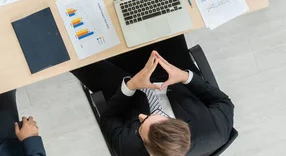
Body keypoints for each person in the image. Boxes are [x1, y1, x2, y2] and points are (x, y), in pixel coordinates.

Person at [72, 37, 234, 156]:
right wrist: (185, 77)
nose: (141, 117)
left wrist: (130, 86)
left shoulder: (128, 150)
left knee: (72, 53)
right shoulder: (216, 132)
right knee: (159, 15)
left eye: (141, 125)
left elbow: (107, 118)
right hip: (172, 74)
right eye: (156, 116)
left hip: (123, 91)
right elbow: (222, 101)